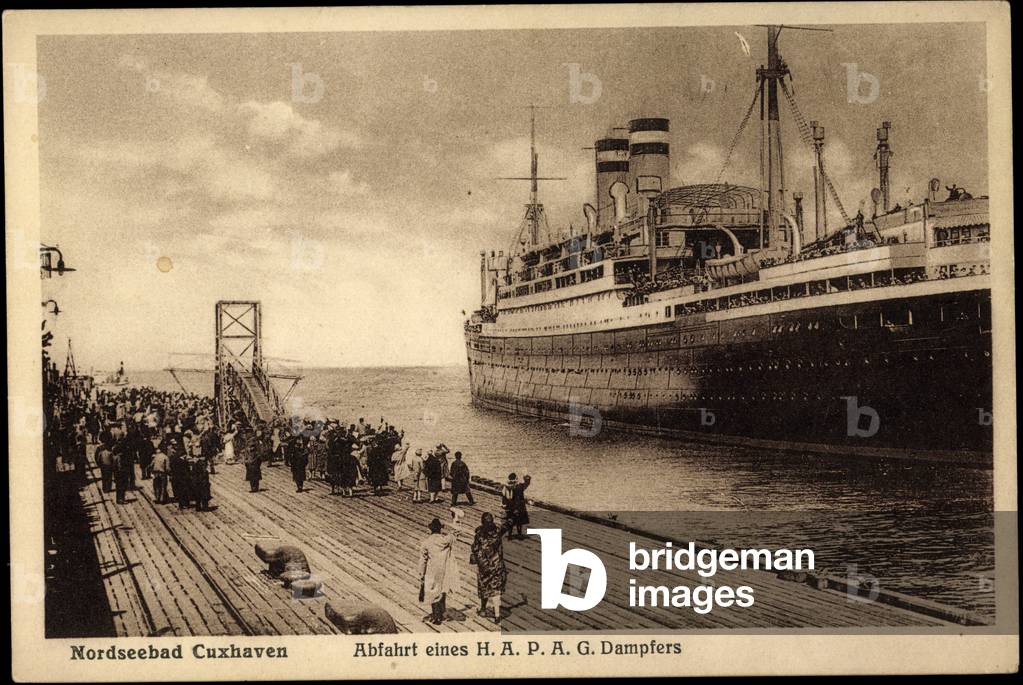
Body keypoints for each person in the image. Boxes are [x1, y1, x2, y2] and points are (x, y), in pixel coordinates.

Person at [417, 510, 462, 625]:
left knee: (433, 593)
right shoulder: (445, 540)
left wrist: (421, 574)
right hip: (445, 570)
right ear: (440, 529)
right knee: (442, 591)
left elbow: (423, 560)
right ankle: (441, 612)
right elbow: (456, 532)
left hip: (432, 571)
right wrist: (455, 518)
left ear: (430, 529)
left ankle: (436, 616)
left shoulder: (426, 543)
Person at [470, 512, 507, 622]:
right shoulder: (498, 532)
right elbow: (506, 526)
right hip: (497, 565)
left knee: (484, 587)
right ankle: (497, 615)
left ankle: (482, 609)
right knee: (496, 590)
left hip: (484, 565)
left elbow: (475, 549)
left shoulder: (479, 535)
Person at [501, 473, 532, 540]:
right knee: (519, 522)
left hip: (510, 507)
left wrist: (505, 506)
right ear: (516, 479)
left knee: (511, 521)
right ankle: (519, 534)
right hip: (519, 507)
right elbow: (526, 485)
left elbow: (504, 498)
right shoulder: (519, 487)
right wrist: (527, 479)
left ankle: (509, 535)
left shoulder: (506, 487)